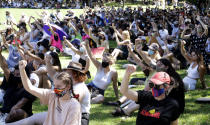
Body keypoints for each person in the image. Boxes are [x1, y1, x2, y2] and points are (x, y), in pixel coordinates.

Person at [9, 60, 81, 125]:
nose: (56, 89)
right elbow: (29, 88)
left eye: (58, 86)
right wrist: (22, 70)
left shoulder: (74, 105)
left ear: (68, 86)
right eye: (55, 86)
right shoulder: (52, 95)